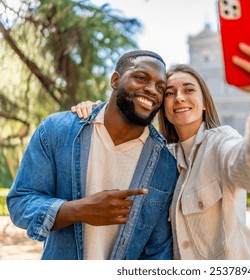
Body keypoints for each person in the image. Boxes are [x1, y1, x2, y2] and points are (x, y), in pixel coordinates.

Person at [72, 43, 250, 259]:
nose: (179, 97)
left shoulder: (220, 143)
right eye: (169, 93)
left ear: (204, 102)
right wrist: (99, 112)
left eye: (189, 90)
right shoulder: (160, 158)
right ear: (162, 107)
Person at [6, 50, 179, 260]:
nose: (152, 90)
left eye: (160, 87)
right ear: (115, 80)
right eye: (141, 78)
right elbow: (20, 202)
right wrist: (78, 210)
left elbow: (158, 250)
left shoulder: (166, 163)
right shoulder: (56, 131)